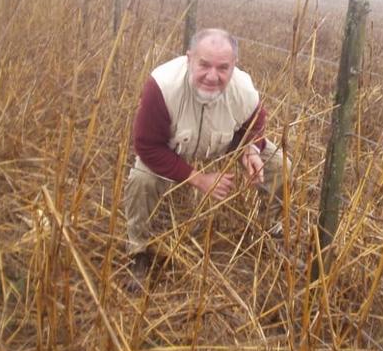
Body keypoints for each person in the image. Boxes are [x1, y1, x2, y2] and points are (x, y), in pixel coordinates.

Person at [124, 28, 290, 284]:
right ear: (189, 58)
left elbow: (256, 122)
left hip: (222, 143)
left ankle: (270, 231)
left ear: (234, 66)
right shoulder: (162, 86)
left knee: (280, 164)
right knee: (142, 180)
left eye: (223, 68)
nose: (212, 76)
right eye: (204, 65)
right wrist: (199, 179)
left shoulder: (243, 89)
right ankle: (138, 250)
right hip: (173, 148)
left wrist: (251, 150)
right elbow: (147, 146)